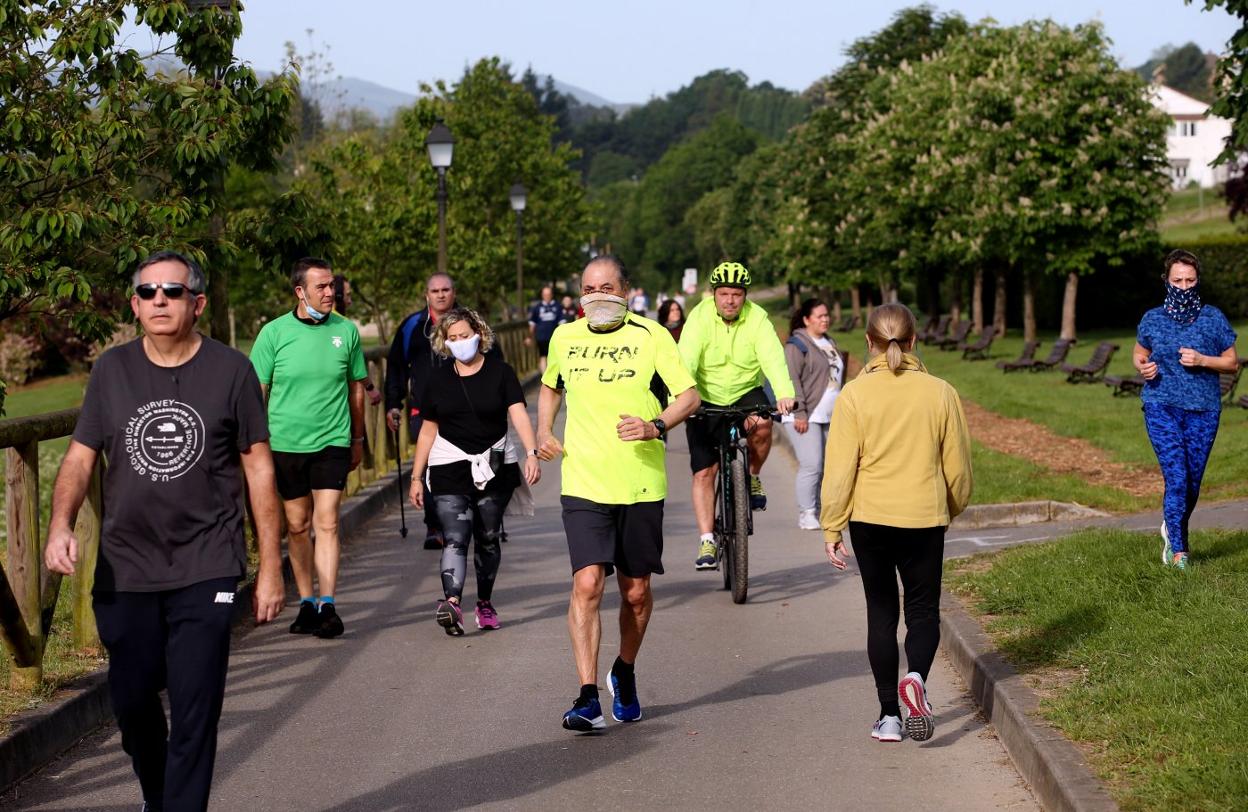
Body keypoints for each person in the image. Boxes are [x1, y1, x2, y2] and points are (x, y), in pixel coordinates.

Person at [45, 250, 285, 812]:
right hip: (126, 566)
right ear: (134, 304)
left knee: (196, 703)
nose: (159, 299)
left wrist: (271, 566)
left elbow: (258, 467)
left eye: (172, 291)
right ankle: (161, 797)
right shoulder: (111, 370)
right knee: (131, 703)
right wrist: (59, 524)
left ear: (196, 303)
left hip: (209, 563)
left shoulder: (231, 371)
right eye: (148, 291)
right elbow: (80, 458)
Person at [536, 255, 700, 731]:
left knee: (636, 593)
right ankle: (587, 695)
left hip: (640, 482)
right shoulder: (565, 336)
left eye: (607, 286)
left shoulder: (651, 336)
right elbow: (551, 387)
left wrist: (655, 425)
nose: (597, 295)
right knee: (587, 583)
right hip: (583, 480)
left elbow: (688, 396)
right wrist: (544, 430)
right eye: (589, 288)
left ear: (625, 290)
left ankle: (624, 670)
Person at [820, 303, 973, 744]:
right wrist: (951, 507)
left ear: (868, 342)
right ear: (914, 341)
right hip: (923, 517)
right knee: (923, 611)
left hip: (870, 520)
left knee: (882, 613)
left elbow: (840, 470)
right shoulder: (940, 392)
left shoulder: (853, 395)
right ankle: (918, 680)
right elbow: (958, 469)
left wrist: (832, 526)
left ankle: (889, 716)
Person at [251, 257, 367, 640]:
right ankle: (305, 602)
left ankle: (329, 604)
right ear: (300, 292)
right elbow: (258, 392)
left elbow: (356, 388)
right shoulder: (273, 334)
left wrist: (358, 438)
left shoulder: (346, 332)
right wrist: (254, 446)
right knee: (297, 525)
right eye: (321, 287)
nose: (330, 292)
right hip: (284, 443)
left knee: (328, 521)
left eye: (332, 285)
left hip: (332, 439)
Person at [409, 308, 541, 634]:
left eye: (464, 336)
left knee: (488, 538)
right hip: (448, 465)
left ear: (479, 335)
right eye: (452, 339)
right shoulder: (438, 379)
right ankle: (452, 603)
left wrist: (532, 452)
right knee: (455, 537)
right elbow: (428, 429)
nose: (459, 343)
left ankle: (484, 602)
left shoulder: (501, 372)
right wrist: (415, 475)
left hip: (495, 464)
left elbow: (519, 415)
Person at [678, 261, 796, 570]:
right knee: (704, 472)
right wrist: (680, 398)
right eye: (724, 294)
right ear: (713, 294)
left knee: (762, 423)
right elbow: (686, 360)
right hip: (705, 395)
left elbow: (772, 357)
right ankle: (707, 539)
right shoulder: (699, 318)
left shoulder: (757, 319)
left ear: (745, 296)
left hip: (745, 389)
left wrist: (784, 392)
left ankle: (753, 476)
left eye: (737, 294)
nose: (730, 300)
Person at [1132, 249, 1239, 570]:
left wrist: (1203, 360)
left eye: (1189, 280)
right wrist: (1143, 368)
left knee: (1192, 482)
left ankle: (1171, 525)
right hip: (1160, 404)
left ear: (1197, 281)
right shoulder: (1152, 318)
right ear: (1166, 280)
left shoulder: (1213, 318)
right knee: (1177, 477)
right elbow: (1139, 354)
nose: (1183, 287)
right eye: (1177, 280)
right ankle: (1179, 552)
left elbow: (1231, 363)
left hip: (1204, 409)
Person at [385, 273, 457, 549]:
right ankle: (434, 526)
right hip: (423, 411)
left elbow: (492, 360)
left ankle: (462, 520)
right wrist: (393, 403)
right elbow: (395, 367)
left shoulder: (470, 323)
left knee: (462, 467)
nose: (440, 295)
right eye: (435, 290)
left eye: (445, 290)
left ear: (453, 292)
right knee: (429, 467)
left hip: (464, 409)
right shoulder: (413, 326)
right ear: (427, 294)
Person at [783, 299, 844, 531]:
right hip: (805, 414)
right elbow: (792, 379)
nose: (825, 319)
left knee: (830, 465)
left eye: (826, 315)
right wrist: (800, 412)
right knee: (812, 465)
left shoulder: (829, 341)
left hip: (829, 414)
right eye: (819, 316)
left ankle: (821, 510)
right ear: (807, 319)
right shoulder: (796, 345)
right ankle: (806, 513)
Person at [332, 273, 382, 408]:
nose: (350, 301)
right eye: (347, 295)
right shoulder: (344, 326)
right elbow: (357, 368)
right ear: (338, 296)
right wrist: (371, 388)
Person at [527, 284, 566, 373]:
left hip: (554, 336)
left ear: (551, 295)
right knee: (543, 356)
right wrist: (529, 337)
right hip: (541, 336)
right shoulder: (537, 307)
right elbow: (532, 323)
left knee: (553, 356)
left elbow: (562, 322)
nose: (547, 296)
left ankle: (553, 376)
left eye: (548, 294)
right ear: (542, 295)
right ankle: (544, 378)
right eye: (545, 294)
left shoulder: (558, 306)